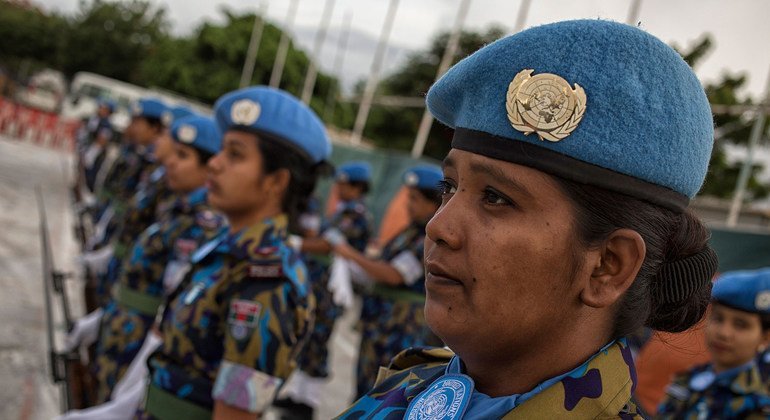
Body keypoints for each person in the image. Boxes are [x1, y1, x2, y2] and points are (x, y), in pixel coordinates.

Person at [337, 19, 719, 418]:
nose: (439, 227)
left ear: (608, 266)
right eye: (449, 187)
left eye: (496, 197)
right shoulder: (404, 389)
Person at [137, 86, 331, 419]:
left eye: (235, 155)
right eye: (221, 151)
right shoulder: (226, 253)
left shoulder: (268, 280)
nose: (214, 164)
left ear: (276, 182)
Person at [91, 115, 226, 403]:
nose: (170, 161)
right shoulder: (176, 205)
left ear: (209, 168)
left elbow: (174, 300)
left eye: (183, 156)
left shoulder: (203, 222)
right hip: (123, 327)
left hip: (140, 342)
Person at [333, 164, 444, 399]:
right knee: (365, 389)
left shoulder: (428, 239)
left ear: (433, 203)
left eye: (414, 199)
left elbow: (394, 275)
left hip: (400, 328)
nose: (408, 205)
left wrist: (351, 255)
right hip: (379, 323)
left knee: (386, 394)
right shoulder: (409, 232)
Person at [279, 161, 375, 416]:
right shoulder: (344, 211)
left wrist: (298, 243)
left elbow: (330, 244)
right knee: (309, 339)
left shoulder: (356, 215)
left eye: (343, 184)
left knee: (319, 340)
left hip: (331, 292)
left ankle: (309, 402)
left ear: (357, 188)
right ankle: (298, 396)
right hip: (322, 286)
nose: (338, 188)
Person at [657, 268, 770, 418]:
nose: (724, 333)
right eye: (718, 319)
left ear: (765, 338)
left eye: (741, 325)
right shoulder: (688, 379)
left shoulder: (758, 403)